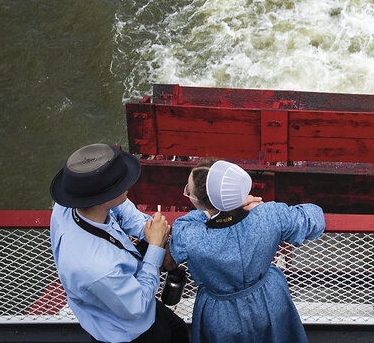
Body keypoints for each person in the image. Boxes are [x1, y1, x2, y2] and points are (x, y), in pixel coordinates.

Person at [168, 159, 325, 343]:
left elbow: (180, 235)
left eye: (190, 191)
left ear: (200, 202)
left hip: (220, 315)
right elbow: (315, 218)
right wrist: (243, 205)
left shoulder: (189, 235)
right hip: (269, 301)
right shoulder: (269, 216)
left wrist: (216, 210)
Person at [49, 143, 190, 343]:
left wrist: (146, 230)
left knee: (178, 330)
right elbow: (138, 306)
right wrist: (157, 247)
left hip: (125, 294)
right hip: (127, 331)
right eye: (123, 184)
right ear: (103, 199)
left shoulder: (70, 204)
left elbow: (122, 209)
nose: (129, 185)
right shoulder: (97, 268)